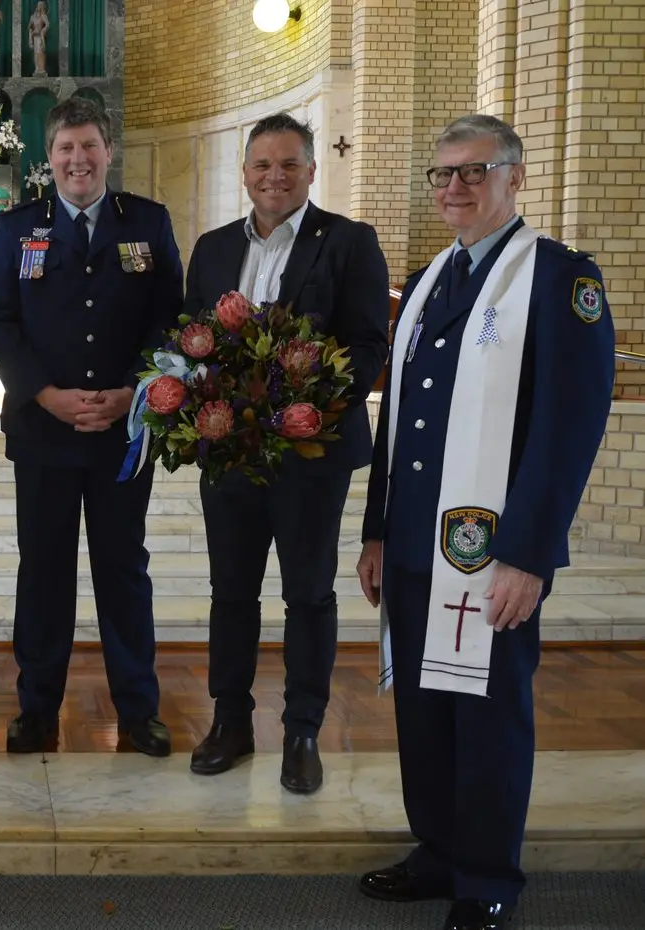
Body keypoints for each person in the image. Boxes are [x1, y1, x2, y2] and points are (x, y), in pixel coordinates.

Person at [356, 115, 615, 930]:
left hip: (489, 548)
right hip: (410, 539)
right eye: (442, 175)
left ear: (516, 177)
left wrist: (527, 555)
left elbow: (567, 428)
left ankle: (486, 876)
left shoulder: (558, 278)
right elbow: (396, 414)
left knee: (488, 711)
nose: (455, 188)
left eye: (474, 171)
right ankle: (436, 852)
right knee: (424, 710)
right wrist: (373, 527)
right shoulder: (430, 276)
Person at [183, 113, 390, 794]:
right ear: (243, 173)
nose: (274, 177)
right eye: (262, 165)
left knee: (308, 594)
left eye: (288, 165)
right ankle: (229, 721)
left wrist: (307, 403)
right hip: (231, 457)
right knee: (230, 593)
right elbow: (189, 342)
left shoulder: (349, 242)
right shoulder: (212, 248)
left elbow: (367, 346)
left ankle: (302, 730)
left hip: (310, 453)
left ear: (309, 170)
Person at [0, 97, 183, 757]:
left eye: (88, 146)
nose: (77, 159)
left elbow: (169, 319)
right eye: (65, 148)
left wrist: (132, 391)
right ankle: (37, 708)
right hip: (44, 432)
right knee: (43, 572)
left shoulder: (146, 223)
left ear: (108, 151)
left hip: (124, 431)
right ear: (48, 157)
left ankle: (138, 709)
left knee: (123, 570)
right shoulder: (15, 229)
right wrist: (43, 393)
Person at [29, 2, 50, 76]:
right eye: (38, 5)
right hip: (34, 37)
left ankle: (41, 69)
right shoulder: (33, 17)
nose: (38, 7)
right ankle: (37, 69)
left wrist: (43, 31)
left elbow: (47, 25)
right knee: (35, 54)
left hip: (40, 37)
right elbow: (30, 27)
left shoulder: (43, 16)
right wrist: (30, 39)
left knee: (40, 52)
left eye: (40, 6)